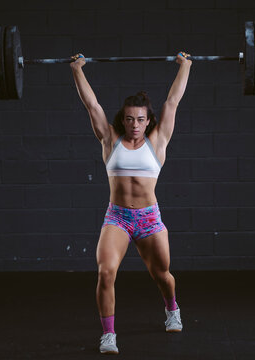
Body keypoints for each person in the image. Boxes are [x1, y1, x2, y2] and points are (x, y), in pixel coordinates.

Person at [70, 51, 192, 355]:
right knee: (105, 272)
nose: (134, 124)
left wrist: (185, 65)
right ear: (122, 120)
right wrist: (77, 70)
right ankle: (108, 335)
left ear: (148, 120)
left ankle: (172, 308)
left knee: (162, 274)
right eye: (129, 119)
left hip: (150, 218)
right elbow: (92, 104)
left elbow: (173, 101)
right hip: (118, 218)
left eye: (140, 119)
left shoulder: (158, 141)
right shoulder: (110, 140)